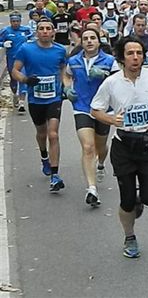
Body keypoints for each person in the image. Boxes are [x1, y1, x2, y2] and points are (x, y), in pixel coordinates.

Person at [91, 35, 148, 258]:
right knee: (126, 199)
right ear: (122, 58)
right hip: (123, 145)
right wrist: (111, 120)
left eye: (139, 53)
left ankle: (139, 200)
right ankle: (129, 236)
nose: (136, 58)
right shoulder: (111, 82)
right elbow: (95, 110)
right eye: (130, 54)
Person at [63, 28, 119, 207]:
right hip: (82, 107)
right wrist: (67, 88)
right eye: (85, 38)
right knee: (88, 147)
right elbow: (67, 74)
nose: (89, 41)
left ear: (98, 41)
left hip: (103, 109)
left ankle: (101, 163)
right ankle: (92, 189)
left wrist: (105, 75)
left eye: (92, 38)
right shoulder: (74, 60)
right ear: (82, 42)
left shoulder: (110, 61)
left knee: (100, 147)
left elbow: (120, 81)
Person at [12, 18, 67, 192]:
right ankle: (44, 156)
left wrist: (66, 86)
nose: (44, 31)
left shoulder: (60, 51)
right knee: (41, 134)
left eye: (48, 28)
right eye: (41, 28)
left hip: (54, 98)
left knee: (53, 134)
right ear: (37, 32)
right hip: (36, 99)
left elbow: (64, 71)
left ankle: (55, 174)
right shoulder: (26, 49)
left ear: (53, 32)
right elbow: (15, 70)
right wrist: (25, 79)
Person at [0, 11, 33, 113]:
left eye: (17, 21)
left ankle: (22, 102)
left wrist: (30, 42)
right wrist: (3, 43)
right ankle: (15, 94)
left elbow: (33, 38)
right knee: (14, 80)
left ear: (20, 21)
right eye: (13, 21)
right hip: (11, 58)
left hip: (23, 59)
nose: (15, 23)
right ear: (10, 22)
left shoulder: (26, 30)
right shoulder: (5, 31)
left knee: (22, 77)